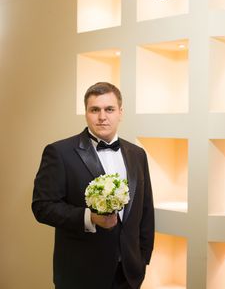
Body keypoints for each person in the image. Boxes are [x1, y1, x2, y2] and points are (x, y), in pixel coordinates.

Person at [32, 82, 154, 289]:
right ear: (86, 113)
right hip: (81, 274)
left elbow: (145, 209)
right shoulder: (59, 152)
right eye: (94, 109)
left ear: (120, 112)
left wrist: (142, 259)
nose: (102, 116)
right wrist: (90, 218)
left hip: (129, 274)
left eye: (109, 109)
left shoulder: (137, 153)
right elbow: (42, 207)